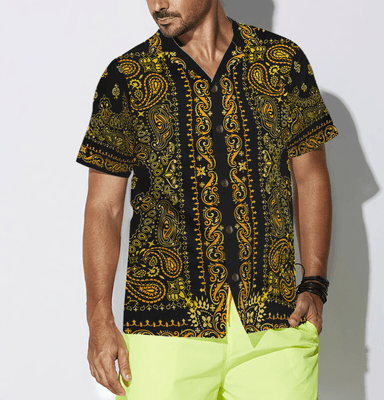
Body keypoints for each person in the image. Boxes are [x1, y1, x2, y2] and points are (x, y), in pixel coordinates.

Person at [76, 0, 338, 398]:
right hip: (164, 331)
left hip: (276, 324)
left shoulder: (281, 61)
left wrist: (315, 284)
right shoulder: (127, 77)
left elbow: (311, 176)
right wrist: (98, 318)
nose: (158, 5)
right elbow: (104, 207)